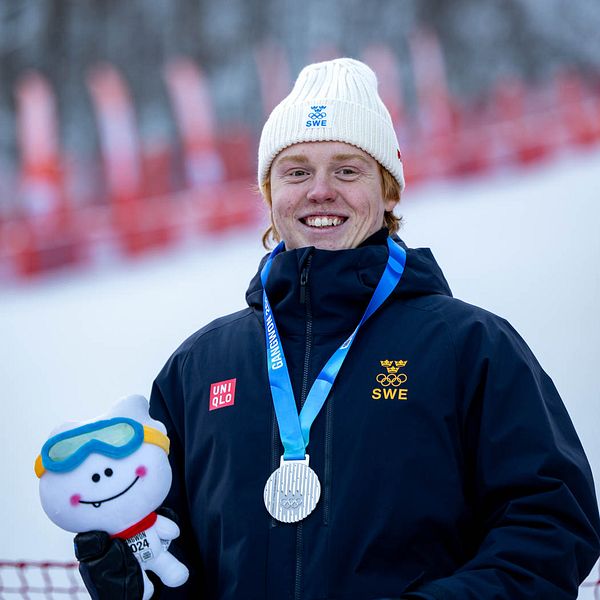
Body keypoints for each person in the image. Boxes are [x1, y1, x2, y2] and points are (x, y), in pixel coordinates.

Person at [76, 58, 600, 599]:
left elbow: (552, 525)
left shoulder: (469, 347)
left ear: (390, 192)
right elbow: (174, 565)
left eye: (347, 170)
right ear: (269, 193)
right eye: (297, 171)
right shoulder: (199, 368)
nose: (320, 190)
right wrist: (134, 582)